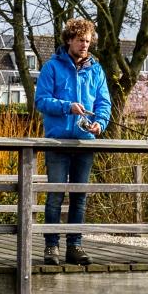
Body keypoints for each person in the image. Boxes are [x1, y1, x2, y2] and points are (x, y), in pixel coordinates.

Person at [34, 18, 111, 266]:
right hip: (57, 142)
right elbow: (41, 101)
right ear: (69, 40)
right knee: (55, 195)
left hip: (84, 142)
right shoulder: (52, 68)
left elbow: (104, 103)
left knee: (79, 196)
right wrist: (67, 107)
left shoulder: (96, 70)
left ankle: (75, 246)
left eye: (88, 41)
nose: (85, 45)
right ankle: (51, 247)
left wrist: (100, 122)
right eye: (80, 40)